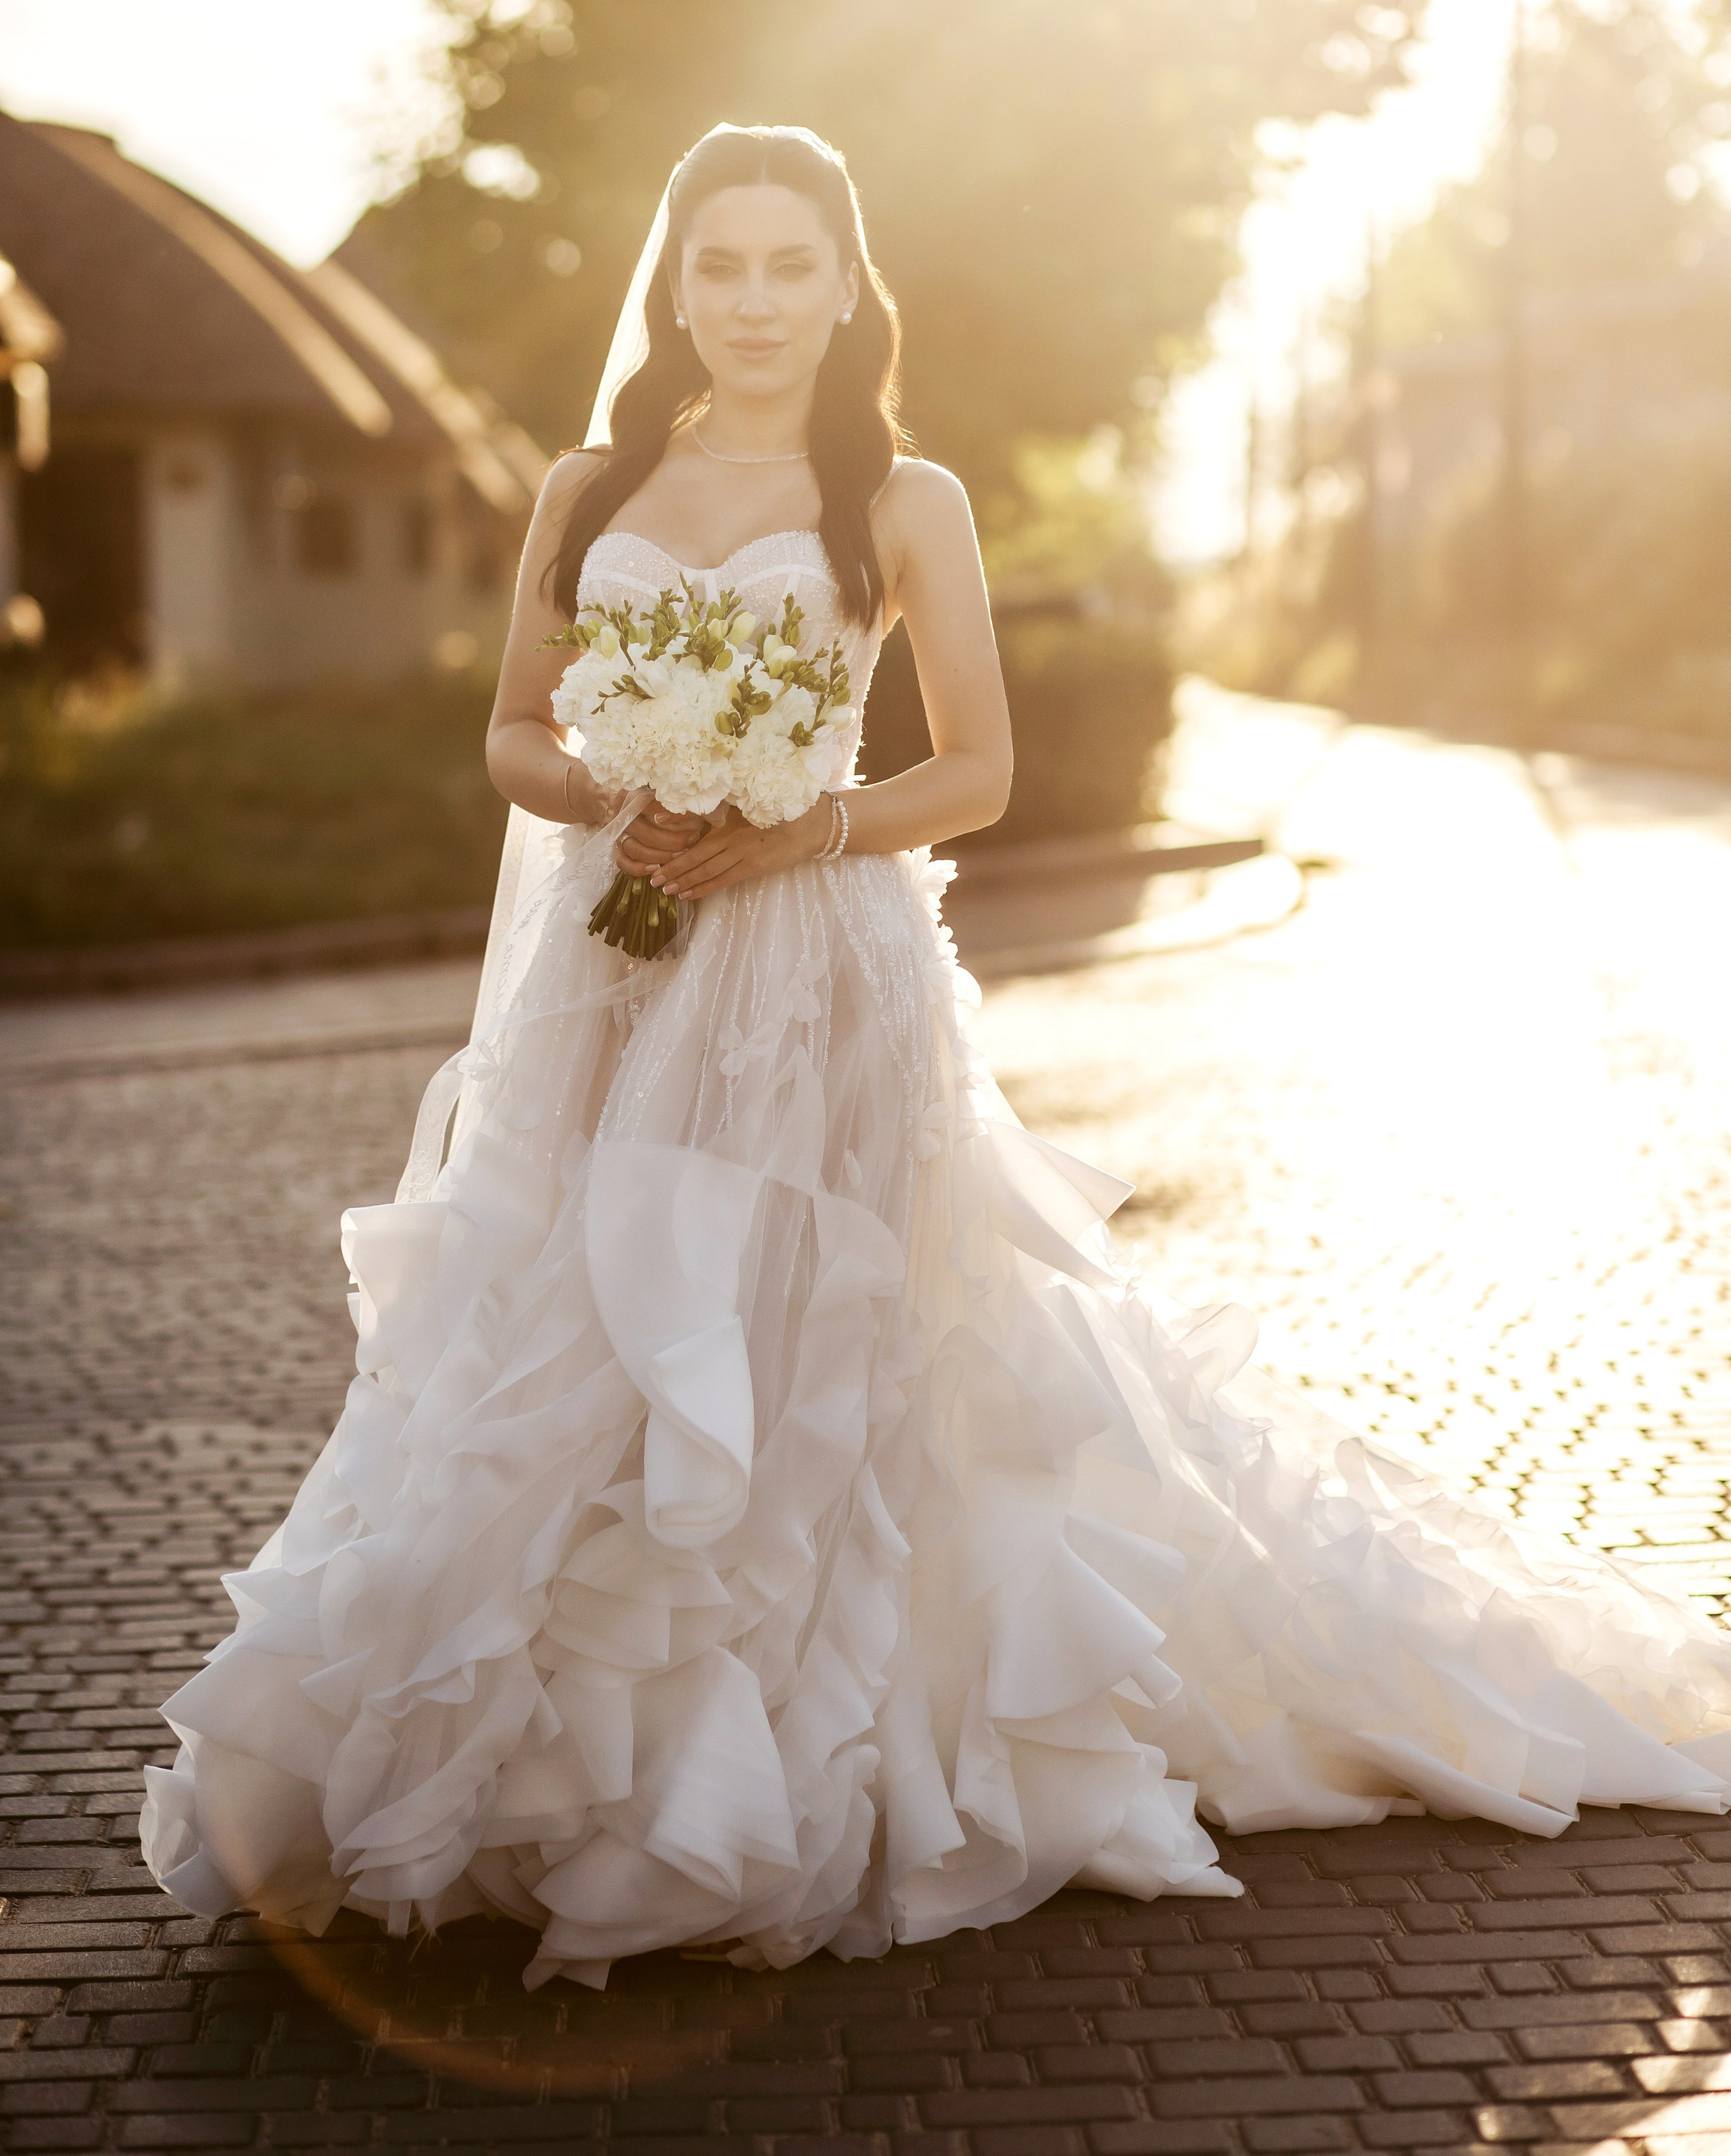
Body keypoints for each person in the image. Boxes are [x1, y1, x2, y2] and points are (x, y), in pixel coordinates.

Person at [142, 123, 1731, 1992]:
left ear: (842, 285)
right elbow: (509, 730)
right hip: (620, 958)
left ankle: (801, 1731)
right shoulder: (588, 482)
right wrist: (616, 782)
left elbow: (975, 770)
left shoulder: (901, 497)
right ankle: (561, 1743)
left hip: (821, 969)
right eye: (717, 266)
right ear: (677, 286)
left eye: (786, 267)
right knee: (583, 1318)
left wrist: (791, 821)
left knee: (823, 1341)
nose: (750, 302)